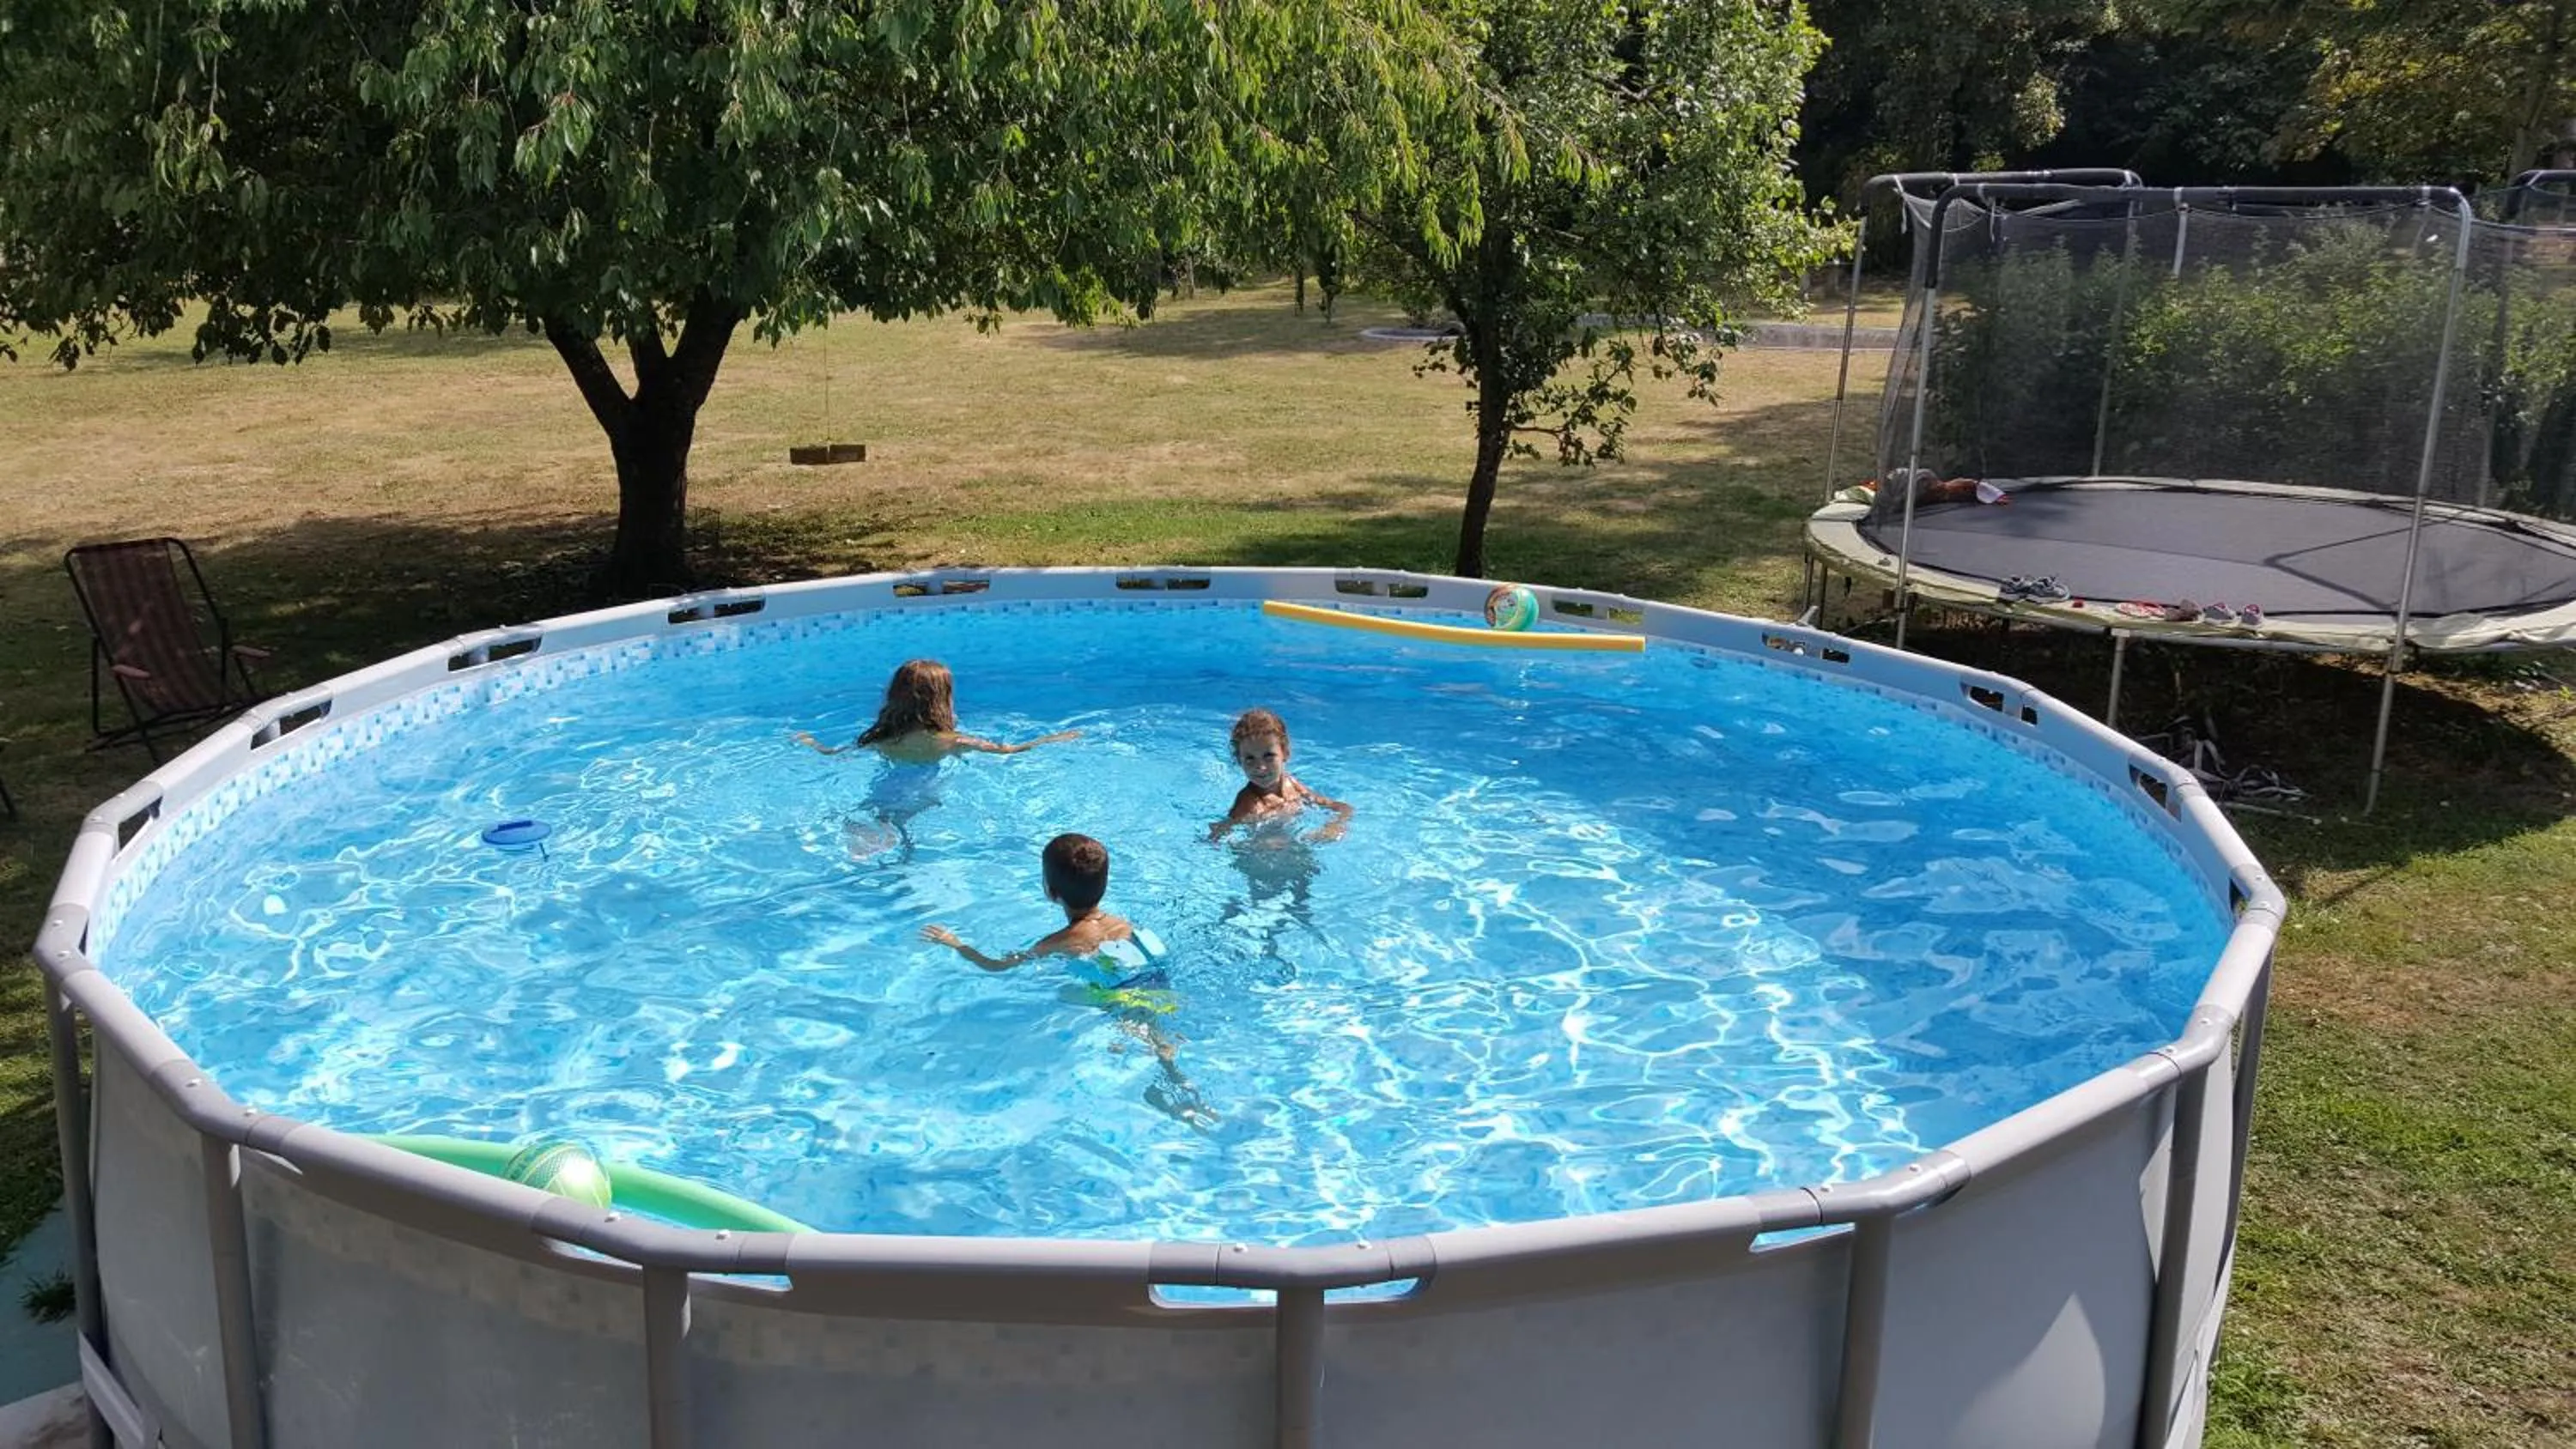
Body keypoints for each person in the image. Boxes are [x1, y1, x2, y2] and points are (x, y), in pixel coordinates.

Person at [920, 834, 1217, 1129]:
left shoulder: (1060, 941)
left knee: (1077, 999)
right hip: (1157, 983)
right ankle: (1186, 1092)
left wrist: (955, 943)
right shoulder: (1122, 923)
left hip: (1120, 996)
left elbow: (996, 966)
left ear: (1051, 892)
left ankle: (1174, 1095)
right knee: (1158, 1039)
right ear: (1104, 883)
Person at [793, 658, 1078, 857]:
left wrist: (812, 743)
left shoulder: (882, 739)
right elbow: (1008, 751)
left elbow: (836, 755)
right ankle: (902, 858)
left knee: (879, 816)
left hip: (885, 791)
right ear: (942, 700)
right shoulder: (951, 742)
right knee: (905, 834)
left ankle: (875, 842)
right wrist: (1049, 739)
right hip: (923, 795)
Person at [1207, 708, 1352, 843]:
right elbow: (1221, 830)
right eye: (1250, 758)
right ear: (1240, 761)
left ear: (1285, 753)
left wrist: (1335, 825)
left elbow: (1342, 807)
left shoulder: (1291, 784)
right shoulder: (1248, 803)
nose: (1261, 767)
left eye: (1268, 756)